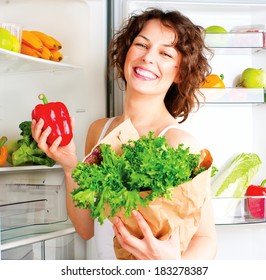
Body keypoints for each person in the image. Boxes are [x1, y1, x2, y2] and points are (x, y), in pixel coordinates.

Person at [31, 8, 217, 260]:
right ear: (126, 53)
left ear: (180, 73)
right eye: (141, 44)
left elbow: (206, 240)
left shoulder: (178, 142)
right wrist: (69, 165)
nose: (148, 57)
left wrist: (173, 266)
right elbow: (87, 229)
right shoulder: (99, 130)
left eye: (165, 53)